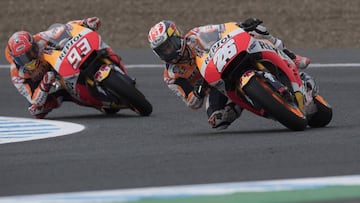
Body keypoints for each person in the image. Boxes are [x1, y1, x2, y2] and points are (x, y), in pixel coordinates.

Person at [148, 18, 315, 130]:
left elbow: (224, 29)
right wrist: (198, 92)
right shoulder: (171, 75)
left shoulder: (196, 35)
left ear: (178, 36)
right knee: (217, 121)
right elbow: (191, 102)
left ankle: (292, 57)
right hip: (214, 84)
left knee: (257, 30)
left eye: (169, 45)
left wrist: (241, 25)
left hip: (229, 56)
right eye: (163, 50)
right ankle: (262, 104)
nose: (168, 51)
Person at [5, 17, 125, 119]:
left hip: (58, 63)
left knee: (93, 46)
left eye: (32, 52)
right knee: (36, 111)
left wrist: (84, 23)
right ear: (15, 59)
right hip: (44, 83)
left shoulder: (40, 38)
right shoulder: (17, 75)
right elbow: (34, 100)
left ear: (34, 44)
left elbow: (65, 28)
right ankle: (95, 102)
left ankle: (116, 65)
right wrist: (45, 84)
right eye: (24, 58)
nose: (30, 58)